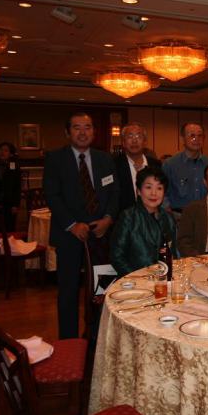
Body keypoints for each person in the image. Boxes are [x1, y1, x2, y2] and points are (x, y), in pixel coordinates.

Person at [43, 112, 119, 339]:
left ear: (94, 132)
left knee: (103, 289)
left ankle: (99, 337)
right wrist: (72, 225)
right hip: (69, 235)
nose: (83, 132)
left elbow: (115, 192)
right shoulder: (55, 159)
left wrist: (108, 219)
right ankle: (69, 341)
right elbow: (52, 195)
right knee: (68, 291)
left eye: (87, 127)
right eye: (77, 127)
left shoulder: (105, 159)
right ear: (68, 132)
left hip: (102, 235)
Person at [110, 167, 177, 274]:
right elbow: (117, 256)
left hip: (164, 277)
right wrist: (138, 277)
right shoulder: (128, 217)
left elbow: (173, 252)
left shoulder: (168, 218)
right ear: (138, 191)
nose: (154, 193)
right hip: (135, 279)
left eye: (159, 188)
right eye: (148, 187)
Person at [162, 122, 208, 216]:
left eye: (200, 136)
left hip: (205, 215)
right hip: (178, 217)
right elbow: (162, 192)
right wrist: (169, 214)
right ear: (183, 139)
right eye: (192, 135)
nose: (196, 139)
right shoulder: (170, 164)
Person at [114, 122, 161, 213]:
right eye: (130, 136)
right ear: (123, 142)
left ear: (145, 142)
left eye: (138, 136)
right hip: (124, 217)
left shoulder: (156, 165)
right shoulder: (114, 166)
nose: (134, 141)